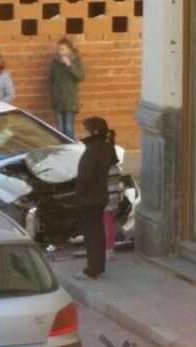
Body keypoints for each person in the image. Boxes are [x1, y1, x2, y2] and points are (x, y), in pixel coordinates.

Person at [75, 117, 117, 280]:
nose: (82, 132)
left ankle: (92, 269)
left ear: (94, 132)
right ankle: (98, 267)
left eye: (85, 129)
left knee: (92, 235)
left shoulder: (93, 151)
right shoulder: (106, 148)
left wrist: (78, 196)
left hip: (89, 199)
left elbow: (85, 177)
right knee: (97, 234)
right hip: (100, 197)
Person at [49, 37, 85, 139]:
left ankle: (70, 148)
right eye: (59, 49)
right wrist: (53, 93)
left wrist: (69, 65)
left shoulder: (76, 60)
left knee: (68, 127)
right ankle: (62, 149)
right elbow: (51, 79)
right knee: (59, 128)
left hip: (70, 100)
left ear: (69, 49)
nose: (60, 52)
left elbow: (80, 76)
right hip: (58, 100)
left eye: (63, 49)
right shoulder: (55, 62)